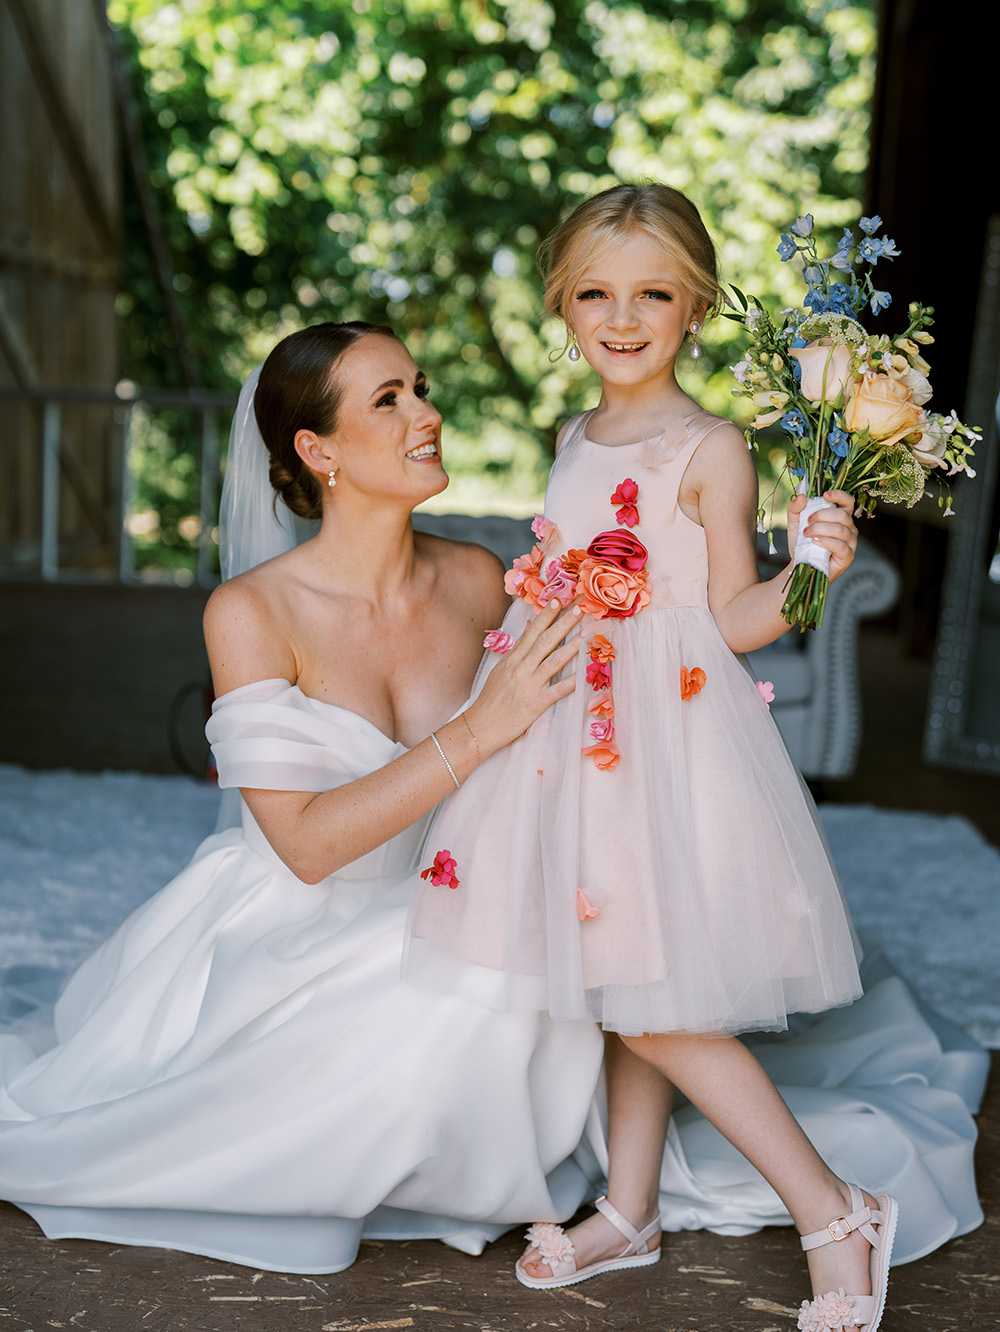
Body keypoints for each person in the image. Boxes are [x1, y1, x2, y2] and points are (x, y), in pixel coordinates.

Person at [403, 185, 982, 1331]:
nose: (623, 318)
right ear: (563, 306)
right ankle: (629, 1209)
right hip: (568, 730)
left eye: (653, 294)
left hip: (660, 741)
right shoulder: (572, 436)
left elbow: (729, 616)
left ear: (697, 306)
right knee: (629, 979)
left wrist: (810, 563)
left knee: (653, 995)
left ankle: (832, 1207)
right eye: (596, 293)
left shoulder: (708, 446)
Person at [0, 320, 607, 1273]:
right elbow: (308, 848)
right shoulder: (251, 612)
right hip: (298, 920)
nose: (428, 413)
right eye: (389, 400)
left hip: (453, 892)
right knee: (432, 1010)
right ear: (316, 452)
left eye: (420, 385)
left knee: (513, 970)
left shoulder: (477, 579)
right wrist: (485, 724)